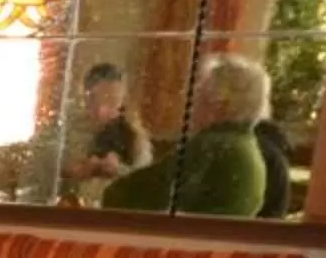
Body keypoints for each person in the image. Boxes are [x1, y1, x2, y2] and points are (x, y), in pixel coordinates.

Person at [101, 55, 271, 217]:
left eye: (199, 94)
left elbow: (125, 196)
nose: (190, 104)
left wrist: (113, 174)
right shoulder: (247, 147)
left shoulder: (213, 146)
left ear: (218, 102)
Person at [59, 62, 151, 193]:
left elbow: (146, 186)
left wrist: (118, 171)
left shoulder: (134, 137)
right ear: (83, 96)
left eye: (111, 101)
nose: (101, 110)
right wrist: (68, 173)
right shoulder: (61, 132)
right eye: (94, 99)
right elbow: (37, 183)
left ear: (122, 102)